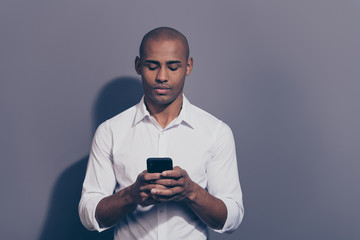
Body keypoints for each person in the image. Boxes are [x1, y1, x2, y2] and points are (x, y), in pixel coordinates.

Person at [79, 26, 244, 240]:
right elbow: (88, 215)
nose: (162, 77)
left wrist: (191, 192)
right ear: (138, 66)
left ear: (188, 66)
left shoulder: (216, 132)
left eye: (173, 67)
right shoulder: (110, 131)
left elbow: (232, 218)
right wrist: (131, 195)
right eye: (152, 66)